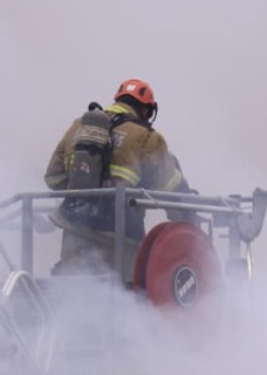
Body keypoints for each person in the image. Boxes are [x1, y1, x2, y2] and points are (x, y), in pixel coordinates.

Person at [44, 78, 194, 278]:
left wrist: (84, 191)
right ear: (147, 111)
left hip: (75, 234)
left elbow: (53, 178)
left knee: (72, 296)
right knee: (122, 301)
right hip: (121, 242)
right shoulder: (147, 138)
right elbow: (172, 189)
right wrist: (188, 221)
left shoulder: (79, 127)